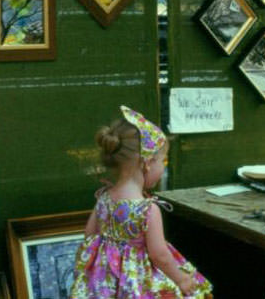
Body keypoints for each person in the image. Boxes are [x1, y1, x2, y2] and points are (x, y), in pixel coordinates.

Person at [71, 105, 213, 298]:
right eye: (163, 161)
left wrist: (110, 257)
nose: (163, 168)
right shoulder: (147, 209)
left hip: (104, 283)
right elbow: (159, 255)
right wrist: (181, 279)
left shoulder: (104, 197)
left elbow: (89, 235)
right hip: (137, 285)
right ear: (147, 163)